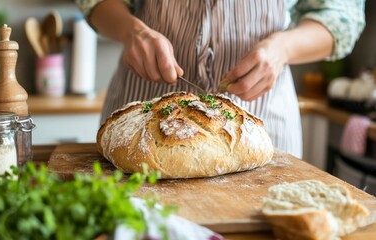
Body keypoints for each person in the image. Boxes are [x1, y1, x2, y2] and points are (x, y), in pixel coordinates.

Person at [75, 0, 365, 158]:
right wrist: (131, 31)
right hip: (142, 126)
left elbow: (340, 15)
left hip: (259, 116)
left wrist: (281, 49)